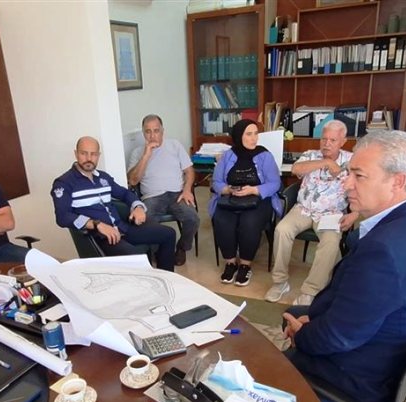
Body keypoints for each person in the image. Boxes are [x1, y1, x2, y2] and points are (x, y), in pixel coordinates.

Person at [282, 131, 406, 402]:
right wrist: (312, 319)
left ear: (397, 181)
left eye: (359, 176)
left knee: (263, 370)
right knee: (295, 313)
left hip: (358, 376)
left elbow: (338, 337)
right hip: (388, 346)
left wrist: (302, 336)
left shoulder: (384, 251)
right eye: (349, 173)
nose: (346, 183)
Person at [265, 120, 359, 305]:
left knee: (330, 242)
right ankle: (280, 282)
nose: (327, 143)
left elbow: (361, 188)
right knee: (282, 230)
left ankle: (311, 291)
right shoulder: (310, 155)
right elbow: (296, 169)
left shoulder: (352, 161)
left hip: (332, 213)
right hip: (303, 209)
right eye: (324, 139)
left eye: (333, 140)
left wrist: (354, 214)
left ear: (343, 141)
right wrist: (325, 162)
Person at [52, 136, 176, 272]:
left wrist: (138, 207)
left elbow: (125, 193)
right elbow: (62, 217)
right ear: (76, 154)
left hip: (122, 228)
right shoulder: (64, 183)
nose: (89, 158)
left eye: (93, 154)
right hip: (100, 237)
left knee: (168, 234)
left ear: (98, 155)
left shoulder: (103, 177)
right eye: (84, 153)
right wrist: (97, 224)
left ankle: (166, 278)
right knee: (137, 260)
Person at [208, 119, 282, 286]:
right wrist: (228, 189)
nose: (254, 138)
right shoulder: (228, 155)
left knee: (249, 223)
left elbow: (275, 183)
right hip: (231, 199)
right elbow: (216, 182)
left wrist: (254, 190)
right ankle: (230, 263)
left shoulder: (265, 155)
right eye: (249, 134)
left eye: (256, 134)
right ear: (239, 136)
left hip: (258, 200)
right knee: (222, 220)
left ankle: (245, 265)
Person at [127, 114, 200, 266]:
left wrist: (187, 190)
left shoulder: (175, 145)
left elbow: (189, 171)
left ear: (162, 131)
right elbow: (133, 181)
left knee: (192, 218)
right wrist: (146, 155)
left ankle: (182, 248)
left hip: (177, 194)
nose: (152, 135)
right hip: (151, 197)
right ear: (143, 133)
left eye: (156, 130)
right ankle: (158, 252)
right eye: (148, 131)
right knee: (145, 221)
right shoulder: (137, 152)